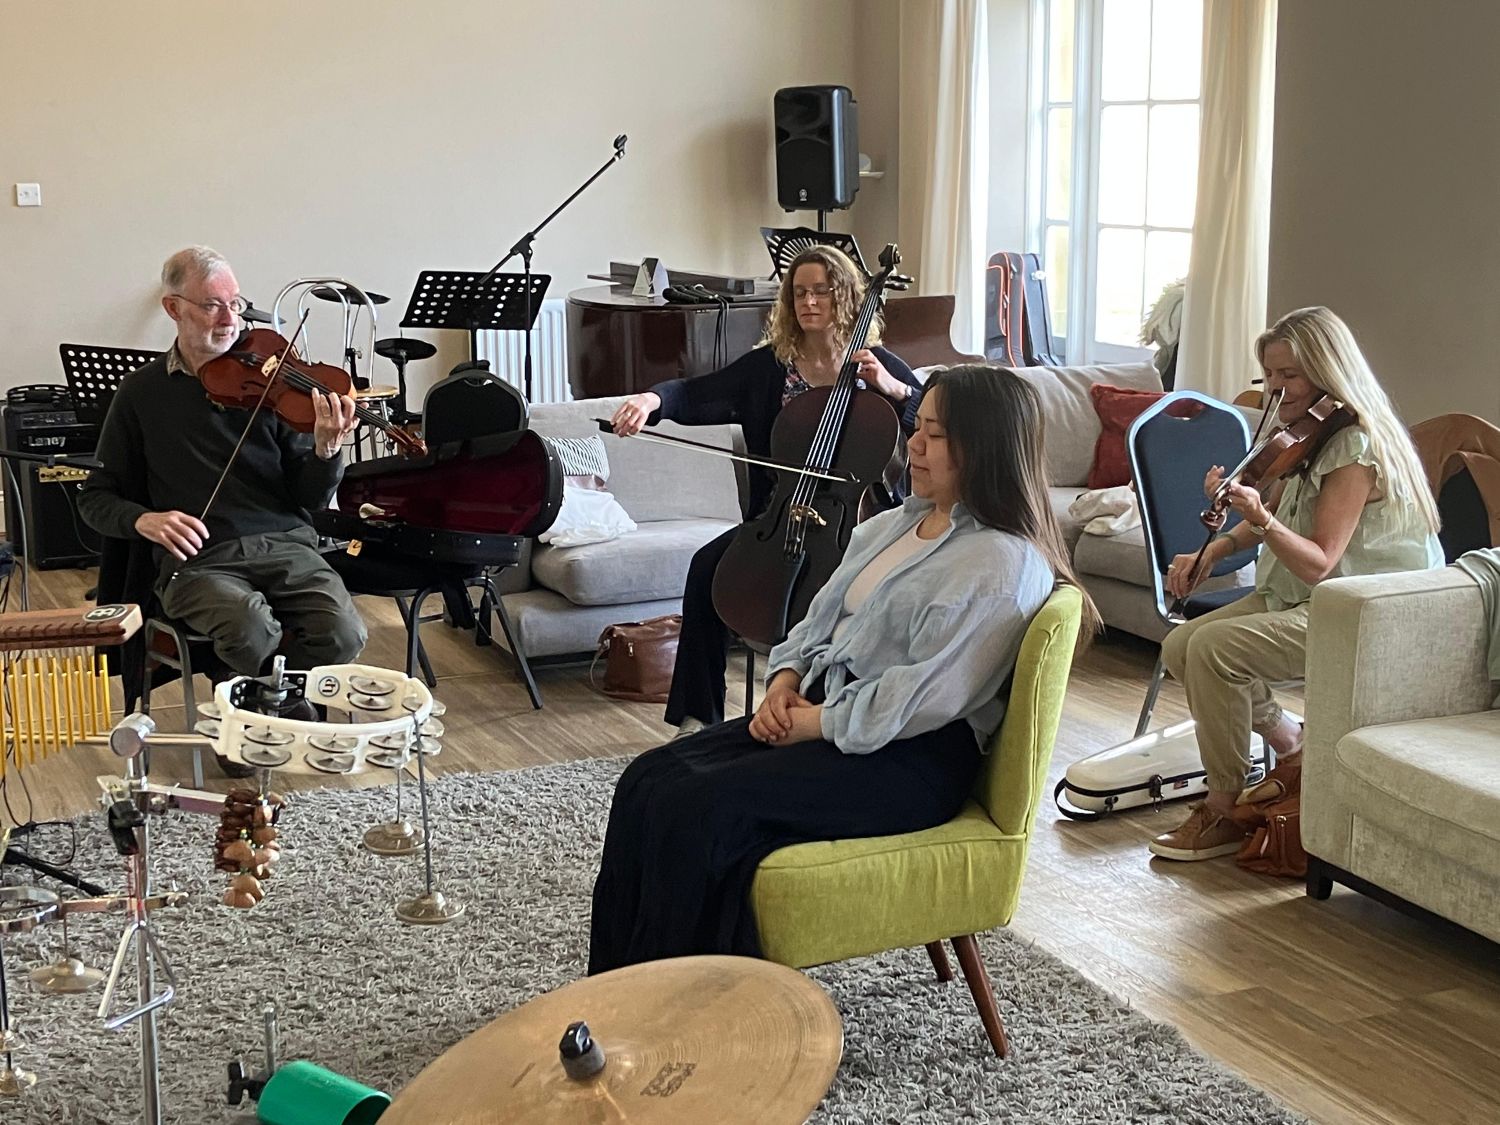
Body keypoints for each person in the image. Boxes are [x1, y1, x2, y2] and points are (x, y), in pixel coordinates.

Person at [589, 365, 1101, 974]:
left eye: (935, 434)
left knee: (698, 809)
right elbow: (817, 621)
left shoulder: (1001, 564)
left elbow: (918, 698)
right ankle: (620, 985)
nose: (913, 443)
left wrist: (808, 724)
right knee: (647, 779)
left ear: (985, 447)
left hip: (907, 757)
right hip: (827, 713)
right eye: (918, 427)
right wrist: (784, 684)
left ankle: (694, 1000)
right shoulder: (894, 524)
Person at [1151, 306, 1443, 862]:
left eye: (1290, 375)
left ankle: (1223, 806)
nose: (1276, 389)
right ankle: (1289, 738)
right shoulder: (1309, 435)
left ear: (1328, 373)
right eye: (1270, 375)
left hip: (1361, 609)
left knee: (1213, 650)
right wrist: (1217, 548)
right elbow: (1281, 514)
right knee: (1181, 645)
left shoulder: (1354, 446)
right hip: (1304, 593)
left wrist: (1259, 516)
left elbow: (1319, 562)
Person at [608, 246, 923, 736]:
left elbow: (932, 421)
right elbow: (696, 392)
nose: (809, 302)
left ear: (845, 296)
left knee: (850, 593)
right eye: (799, 293)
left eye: (821, 291)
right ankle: (697, 717)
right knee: (707, 569)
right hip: (780, 519)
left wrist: (896, 391)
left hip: (861, 528)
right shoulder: (770, 367)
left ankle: (829, 716)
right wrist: (652, 399)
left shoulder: (879, 367)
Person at [79, 246, 368, 694]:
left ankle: (264, 702)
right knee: (249, 626)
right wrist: (144, 520)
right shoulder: (141, 392)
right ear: (173, 308)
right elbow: (95, 497)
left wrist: (327, 451)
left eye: (235, 303)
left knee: (345, 633)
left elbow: (309, 497)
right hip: (199, 561)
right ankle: (263, 708)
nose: (231, 319)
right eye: (212, 305)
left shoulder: (274, 384)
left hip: (285, 546)